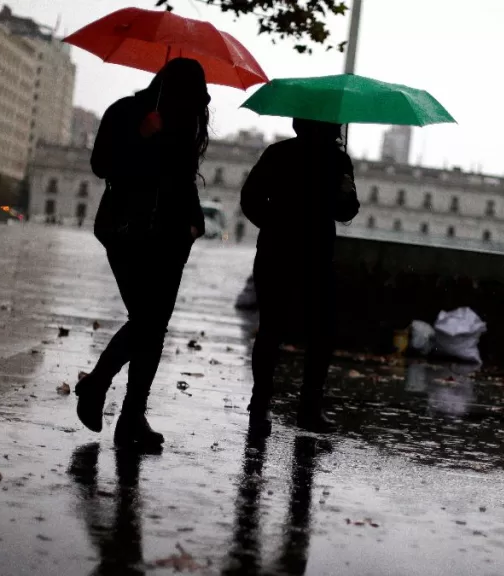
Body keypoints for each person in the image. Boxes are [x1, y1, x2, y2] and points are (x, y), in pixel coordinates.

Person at [75, 57, 210, 451]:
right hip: (126, 230)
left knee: (152, 325)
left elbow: (183, 179)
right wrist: (140, 136)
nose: (198, 105)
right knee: (148, 322)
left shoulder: (187, 123)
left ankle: (129, 415)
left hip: (170, 236)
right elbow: (102, 166)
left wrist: (194, 223)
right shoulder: (126, 112)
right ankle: (103, 390)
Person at [241, 118, 359, 434]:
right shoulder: (338, 160)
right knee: (320, 335)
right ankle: (308, 410)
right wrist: (345, 195)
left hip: (275, 252)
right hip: (316, 256)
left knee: (271, 331)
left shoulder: (278, 153)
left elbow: (249, 199)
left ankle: (261, 405)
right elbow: (345, 212)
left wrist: (274, 225)